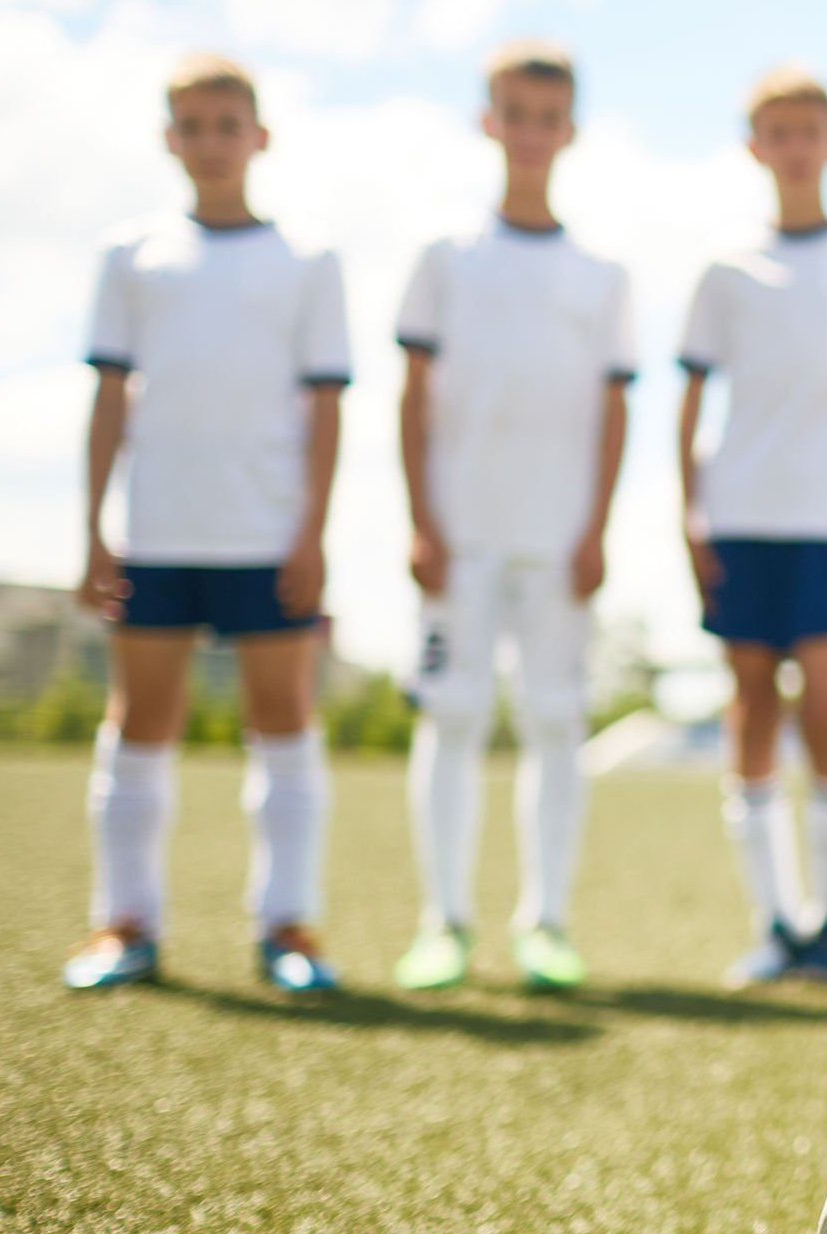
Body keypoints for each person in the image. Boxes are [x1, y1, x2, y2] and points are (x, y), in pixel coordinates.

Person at [66, 53, 349, 994]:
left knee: (284, 724)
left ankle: (288, 928)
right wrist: (95, 530)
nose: (213, 142)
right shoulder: (130, 255)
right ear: (170, 139)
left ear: (258, 137)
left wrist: (310, 535)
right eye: (194, 125)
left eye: (229, 125)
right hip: (156, 532)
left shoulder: (308, 260)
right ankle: (125, 923)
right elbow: (110, 399)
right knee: (141, 725)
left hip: (266, 536)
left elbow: (324, 408)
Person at [391, 42, 636, 993]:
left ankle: (546, 925)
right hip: (459, 537)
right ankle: (442, 923)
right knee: (449, 720)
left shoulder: (600, 270)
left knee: (553, 722)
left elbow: (615, 407)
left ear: (567, 130)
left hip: (556, 539)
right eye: (514, 114)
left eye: (548, 117)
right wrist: (422, 519)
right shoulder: (444, 258)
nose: (530, 132)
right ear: (488, 122)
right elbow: (410, 399)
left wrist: (595, 529)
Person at [679, 65, 827, 988]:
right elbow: (693, 399)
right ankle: (774, 925)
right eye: (774, 132)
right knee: (748, 715)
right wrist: (689, 513)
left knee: (825, 714)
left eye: (806, 130)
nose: (792, 147)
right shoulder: (724, 268)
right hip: (739, 516)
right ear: (755, 147)